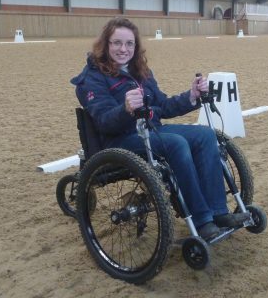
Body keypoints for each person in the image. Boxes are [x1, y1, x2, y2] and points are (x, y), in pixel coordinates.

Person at [70, 17, 249, 240]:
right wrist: (125, 109)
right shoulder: (92, 78)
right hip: (119, 140)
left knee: (205, 135)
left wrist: (191, 96)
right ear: (105, 44)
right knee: (176, 144)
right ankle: (202, 220)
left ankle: (218, 212)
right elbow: (104, 121)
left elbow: (163, 106)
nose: (123, 49)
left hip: (151, 131)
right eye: (117, 43)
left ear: (136, 46)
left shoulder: (140, 71)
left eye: (129, 43)